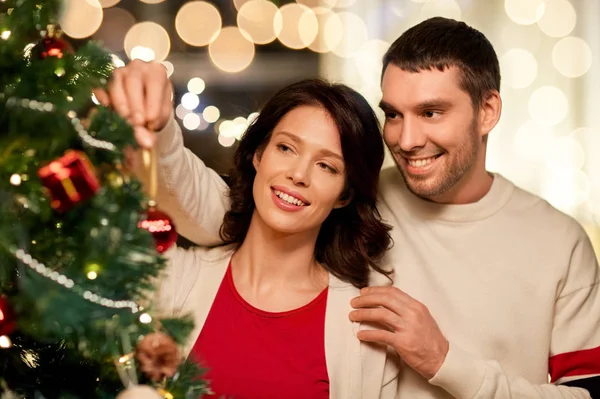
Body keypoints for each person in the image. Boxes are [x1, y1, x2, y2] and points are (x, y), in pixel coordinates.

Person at [96, 17, 600, 398]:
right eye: (394, 114)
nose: (407, 138)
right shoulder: (356, 196)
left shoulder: (559, 243)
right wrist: (159, 128)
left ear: (487, 111)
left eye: (431, 112)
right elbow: (227, 212)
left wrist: (445, 360)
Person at [139, 79, 399, 398]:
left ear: (345, 194)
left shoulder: (364, 333)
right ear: (259, 154)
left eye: (326, 166)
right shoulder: (172, 278)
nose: (298, 175)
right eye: (286, 148)